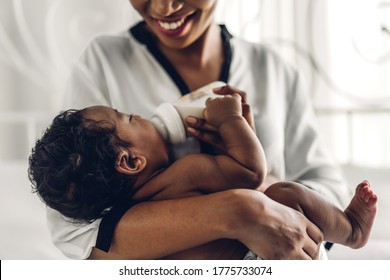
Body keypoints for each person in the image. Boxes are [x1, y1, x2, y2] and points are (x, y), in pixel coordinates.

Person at [44, 0, 353, 260]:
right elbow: (73, 228)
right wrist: (238, 211)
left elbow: (331, 190)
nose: (166, 7)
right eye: (130, 117)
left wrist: (269, 198)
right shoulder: (103, 61)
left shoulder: (271, 68)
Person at [29, 93, 377, 260]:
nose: (145, 117)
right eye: (131, 117)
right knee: (284, 194)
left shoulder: (129, 212)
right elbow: (252, 175)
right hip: (262, 257)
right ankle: (352, 229)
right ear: (132, 161)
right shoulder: (184, 173)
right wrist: (232, 122)